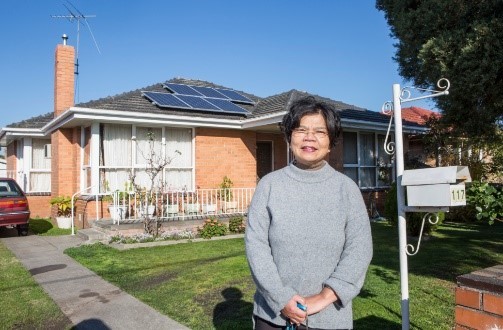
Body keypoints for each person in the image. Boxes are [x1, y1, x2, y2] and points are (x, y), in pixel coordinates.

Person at [245, 96, 373, 330]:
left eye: (320, 131)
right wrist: (281, 298)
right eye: (301, 129)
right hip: (271, 317)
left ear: (331, 140)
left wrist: (325, 296)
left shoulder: (346, 189)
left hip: (330, 317)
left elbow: (359, 249)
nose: (309, 137)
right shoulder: (269, 185)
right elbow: (256, 247)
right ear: (289, 136)